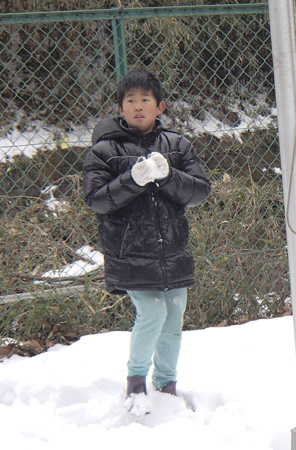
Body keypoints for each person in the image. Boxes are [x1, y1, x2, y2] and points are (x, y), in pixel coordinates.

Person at [82, 69, 211, 398]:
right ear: (120, 109)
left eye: (145, 100)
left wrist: (168, 176)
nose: (138, 106)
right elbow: (97, 200)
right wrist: (133, 180)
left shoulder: (177, 145)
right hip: (130, 254)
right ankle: (136, 381)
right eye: (130, 101)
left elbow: (199, 192)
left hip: (173, 252)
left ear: (160, 106)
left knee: (174, 318)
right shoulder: (103, 151)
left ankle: (166, 383)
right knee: (153, 312)